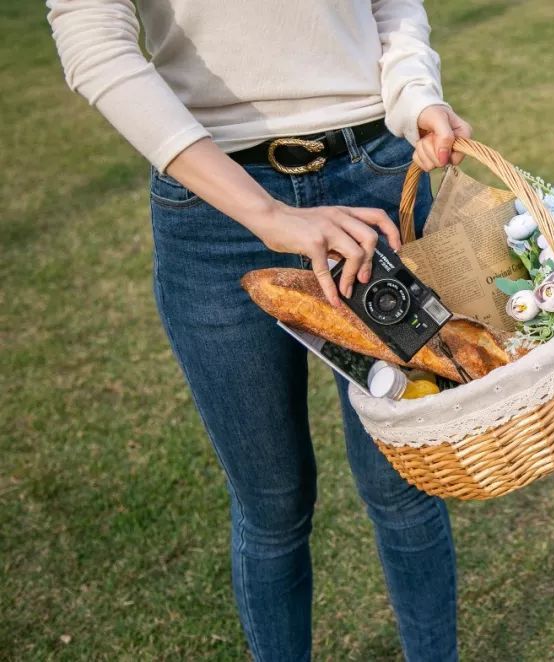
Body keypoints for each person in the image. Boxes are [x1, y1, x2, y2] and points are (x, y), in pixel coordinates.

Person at [46, 1, 470, 660]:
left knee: (404, 482)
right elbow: (91, 39)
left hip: (373, 179)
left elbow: (392, 6)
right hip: (216, 209)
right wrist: (265, 213)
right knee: (273, 506)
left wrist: (416, 96)